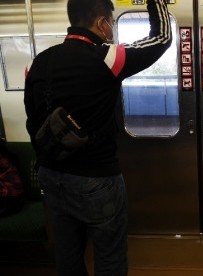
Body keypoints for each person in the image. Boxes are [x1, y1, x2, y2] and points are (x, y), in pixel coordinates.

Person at [24, 0, 171, 275]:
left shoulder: (40, 61)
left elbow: (32, 120)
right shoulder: (107, 57)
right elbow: (161, 38)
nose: (113, 28)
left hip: (52, 175)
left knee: (67, 252)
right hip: (97, 178)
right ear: (102, 23)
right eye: (112, 23)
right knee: (110, 255)